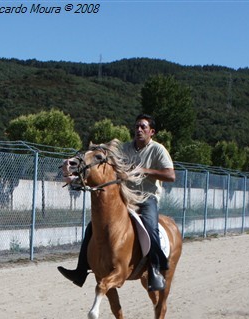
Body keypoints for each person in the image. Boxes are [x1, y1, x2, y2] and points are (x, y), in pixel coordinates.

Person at [58, 114, 175, 291]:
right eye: (137, 126)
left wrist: (144, 170)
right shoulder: (125, 149)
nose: (139, 130)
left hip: (146, 199)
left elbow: (170, 175)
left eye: (143, 127)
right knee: (92, 227)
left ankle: (154, 269)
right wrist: (78, 173)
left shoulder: (157, 150)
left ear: (152, 132)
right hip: (124, 196)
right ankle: (81, 271)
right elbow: (108, 168)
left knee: (151, 227)